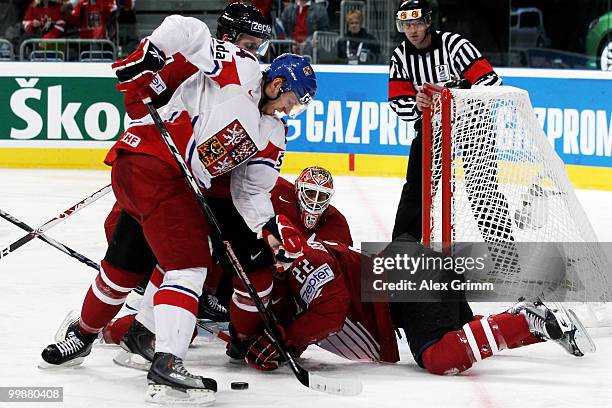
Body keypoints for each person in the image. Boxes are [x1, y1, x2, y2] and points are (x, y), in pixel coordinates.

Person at [39, 6, 315, 404]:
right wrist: (150, 53)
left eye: (299, 106)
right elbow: (190, 30)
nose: (292, 110)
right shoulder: (244, 69)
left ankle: (80, 338)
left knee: (122, 267)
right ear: (276, 85)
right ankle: (167, 366)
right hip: (160, 167)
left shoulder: (272, 131)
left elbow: (250, 192)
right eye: (293, 100)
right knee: (188, 266)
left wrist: (269, 228)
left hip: (152, 176)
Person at [243, 237, 590, 374]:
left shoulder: (304, 261)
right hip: (410, 273)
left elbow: (331, 312)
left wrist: (282, 339)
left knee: (439, 357)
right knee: (463, 339)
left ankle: (528, 321)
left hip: (406, 275)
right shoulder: (288, 279)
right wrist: (277, 339)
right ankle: (542, 324)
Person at [388, 0, 504, 242]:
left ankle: (507, 257)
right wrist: (417, 106)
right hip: (433, 129)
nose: (412, 30)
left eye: (417, 23)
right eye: (406, 25)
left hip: (473, 125)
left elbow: (491, 81)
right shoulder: (400, 56)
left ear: (428, 22)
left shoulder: (454, 45)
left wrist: (456, 92)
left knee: (482, 189)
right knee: (416, 189)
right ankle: (402, 251)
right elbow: (398, 101)